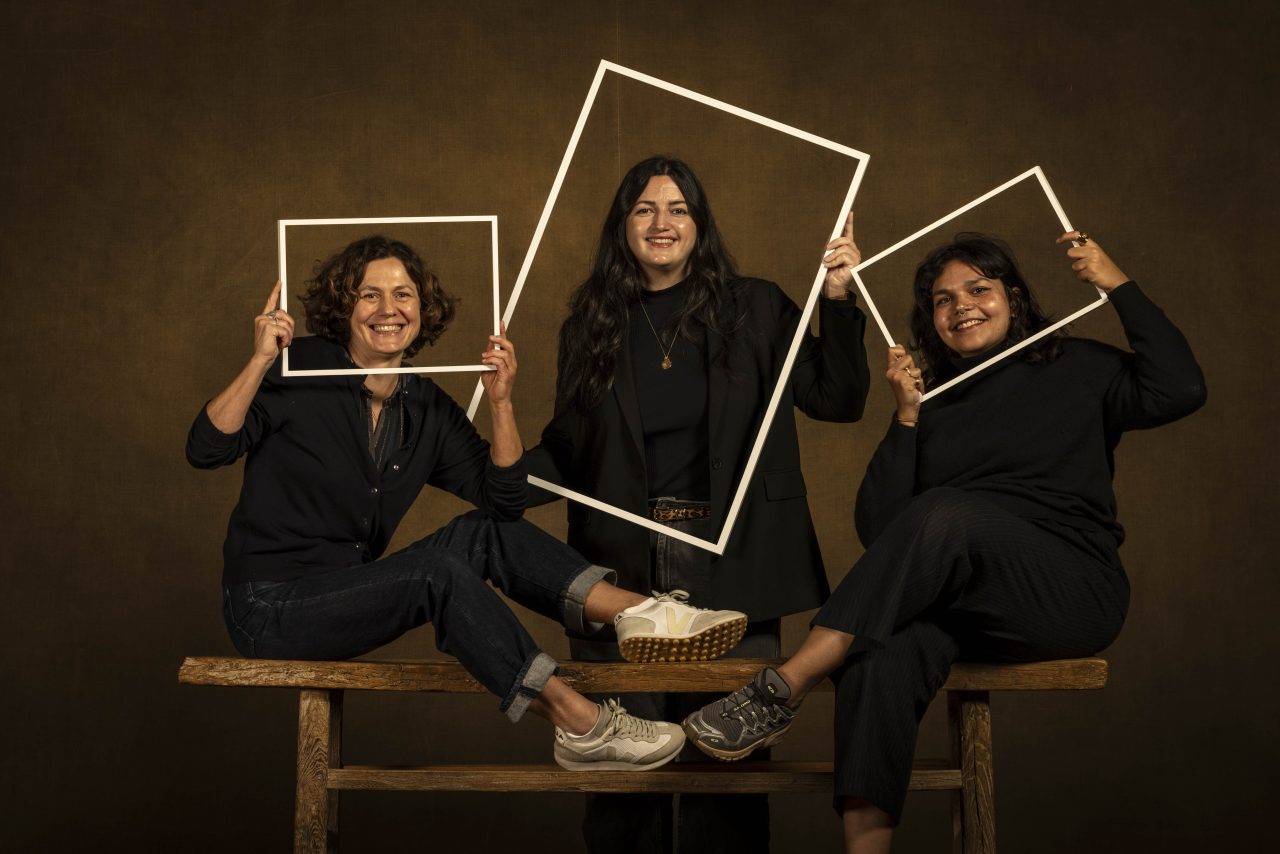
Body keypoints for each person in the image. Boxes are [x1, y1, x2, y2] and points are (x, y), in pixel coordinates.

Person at [682, 231, 1207, 851]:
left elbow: (1181, 389)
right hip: (970, 608)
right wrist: (906, 416)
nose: (962, 307)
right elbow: (882, 533)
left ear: (1013, 297)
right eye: (943, 299)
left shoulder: (1078, 365)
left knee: (948, 512)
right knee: (878, 653)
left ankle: (786, 684)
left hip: (1069, 592)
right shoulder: (933, 400)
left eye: (979, 289)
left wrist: (1116, 284)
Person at [185, 235, 749, 772]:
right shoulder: (300, 368)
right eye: (369, 294)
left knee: (484, 531)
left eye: (403, 294)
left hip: (349, 592)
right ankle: (581, 725)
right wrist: (259, 361)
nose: (389, 309)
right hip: (269, 608)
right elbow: (207, 449)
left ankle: (640, 614)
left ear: (422, 308)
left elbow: (505, 502)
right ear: (344, 306)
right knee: (434, 572)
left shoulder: (425, 404)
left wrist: (501, 404)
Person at [526, 157, 871, 852]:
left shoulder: (758, 306)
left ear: (699, 223)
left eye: (678, 208)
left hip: (734, 563)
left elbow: (838, 400)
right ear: (622, 226)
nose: (662, 223)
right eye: (645, 209)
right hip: (619, 567)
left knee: (726, 779)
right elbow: (568, 446)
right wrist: (496, 472)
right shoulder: (590, 323)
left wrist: (838, 297)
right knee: (622, 780)